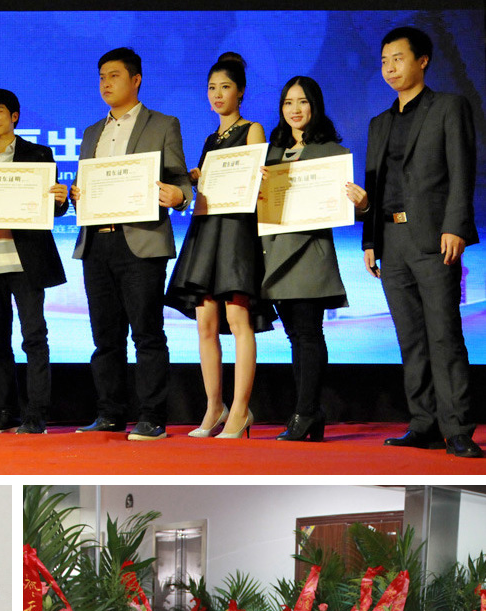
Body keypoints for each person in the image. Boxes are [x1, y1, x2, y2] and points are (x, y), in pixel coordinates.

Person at [357, 26, 481, 458]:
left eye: (399, 58)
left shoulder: (448, 107)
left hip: (433, 236)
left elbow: (462, 170)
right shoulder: (379, 123)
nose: (390, 68)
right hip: (390, 239)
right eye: (384, 60)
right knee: (410, 337)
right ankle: (423, 422)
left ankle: (457, 428)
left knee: (444, 334)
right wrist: (369, 240)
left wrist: (456, 226)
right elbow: (375, 185)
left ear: (422, 60)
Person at [71, 47, 192, 441]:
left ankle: (152, 416)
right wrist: (78, 194)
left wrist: (179, 196)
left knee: (147, 334)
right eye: (101, 77)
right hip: (96, 242)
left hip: (141, 241)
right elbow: (88, 184)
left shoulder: (163, 124)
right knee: (105, 338)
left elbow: (180, 179)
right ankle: (110, 413)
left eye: (114, 76)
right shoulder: (92, 132)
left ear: (136, 80)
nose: (106, 83)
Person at [165, 53, 270, 440]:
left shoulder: (253, 130)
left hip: (236, 233)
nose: (217, 94)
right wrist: (198, 178)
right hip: (207, 231)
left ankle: (241, 410)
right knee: (205, 324)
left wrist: (260, 176)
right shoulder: (212, 139)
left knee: (239, 320)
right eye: (212, 88)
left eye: (225, 87)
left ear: (240, 91)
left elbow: (255, 182)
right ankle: (214, 407)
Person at [260, 76, 363, 441]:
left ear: (314, 106)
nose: (295, 109)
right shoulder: (270, 154)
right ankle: (308, 414)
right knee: (295, 337)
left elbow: (344, 208)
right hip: (274, 254)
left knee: (307, 334)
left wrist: (361, 204)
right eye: (288, 102)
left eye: (302, 101)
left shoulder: (332, 153)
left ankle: (305, 413)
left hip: (308, 254)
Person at [0, 89, 69, 435]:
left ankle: (36, 415)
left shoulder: (38, 155)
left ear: (14, 116)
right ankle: (5, 412)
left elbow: (54, 210)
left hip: (27, 262)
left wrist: (60, 199)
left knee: (33, 337)